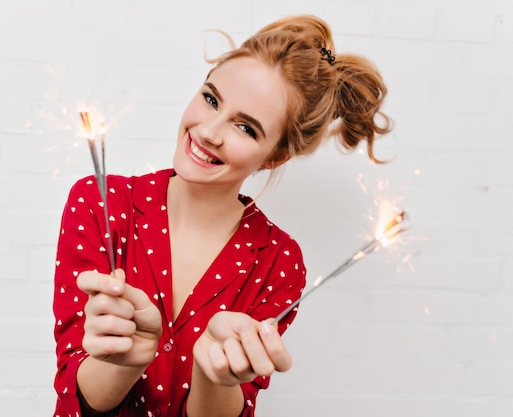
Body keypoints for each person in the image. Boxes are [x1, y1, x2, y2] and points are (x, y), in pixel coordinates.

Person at [52, 13, 391, 417]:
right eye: (211, 99)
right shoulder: (99, 202)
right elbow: (75, 396)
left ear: (275, 156)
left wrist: (213, 376)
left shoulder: (278, 261)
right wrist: (120, 360)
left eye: (246, 128)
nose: (209, 131)